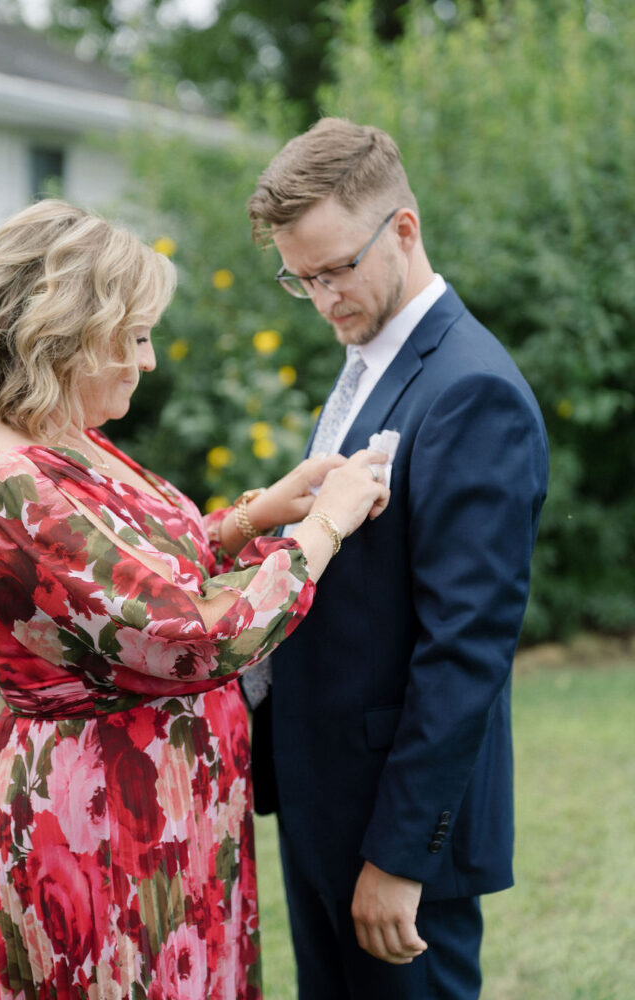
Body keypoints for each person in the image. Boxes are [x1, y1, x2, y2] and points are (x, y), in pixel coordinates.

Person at [0, 198, 389, 1000]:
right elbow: (191, 636)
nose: (146, 362)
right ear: (69, 334)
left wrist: (260, 512)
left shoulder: (57, 431)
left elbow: (135, 574)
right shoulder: (13, 486)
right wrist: (325, 525)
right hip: (102, 833)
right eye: (135, 337)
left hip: (162, 819)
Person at [244, 118, 549, 999]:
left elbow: (467, 648)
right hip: (324, 797)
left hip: (393, 826)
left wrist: (399, 855)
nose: (324, 297)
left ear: (403, 230)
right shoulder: (371, 360)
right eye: (301, 280)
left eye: (336, 268)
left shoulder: (472, 390)